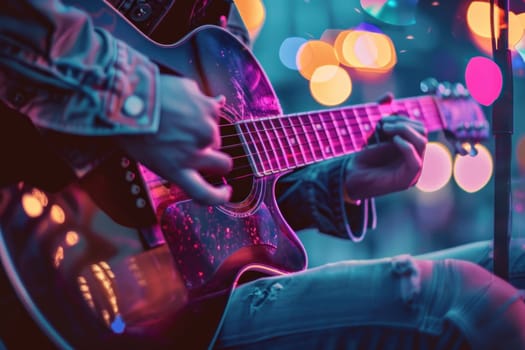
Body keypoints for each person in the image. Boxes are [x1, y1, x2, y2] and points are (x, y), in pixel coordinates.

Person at [0, 1, 524, 349]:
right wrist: (146, 102)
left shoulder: (217, 22)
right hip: (79, 265)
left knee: (516, 262)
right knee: (459, 303)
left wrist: (339, 181)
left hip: (192, 290)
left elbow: (217, 202)